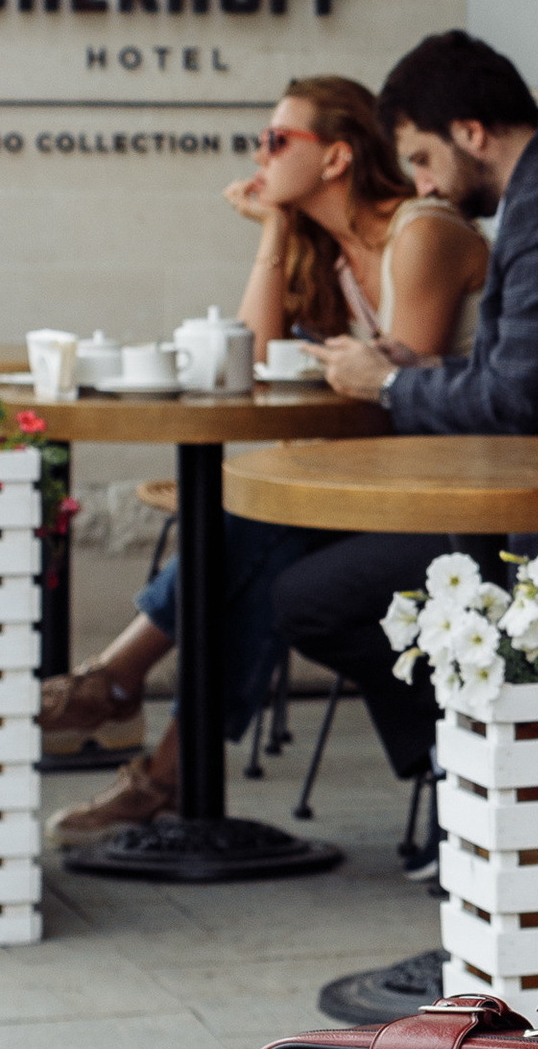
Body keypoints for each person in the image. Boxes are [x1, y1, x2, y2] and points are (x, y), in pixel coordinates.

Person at [45, 76, 482, 843]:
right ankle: (158, 762)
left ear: (337, 156)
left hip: (452, 491)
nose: (260, 153)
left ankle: (122, 693)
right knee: (253, 533)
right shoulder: (331, 250)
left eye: (279, 141)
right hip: (371, 488)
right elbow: (243, 369)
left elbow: (398, 403)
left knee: (251, 527)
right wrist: (274, 231)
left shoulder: (422, 233)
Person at [266, 32, 538, 787]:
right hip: (523, 496)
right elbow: (510, 372)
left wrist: (384, 386)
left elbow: (511, 398)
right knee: (296, 575)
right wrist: (415, 369)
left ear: (471, 134)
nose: (422, 183)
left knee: (307, 597)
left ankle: (461, 782)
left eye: (421, 156)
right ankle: (458, 784)